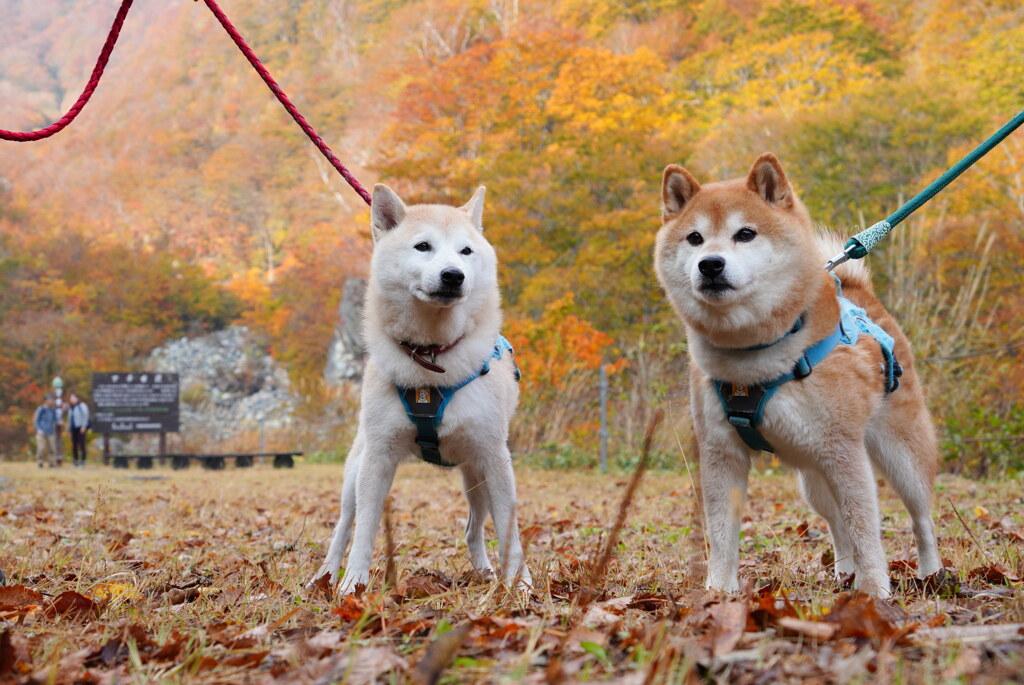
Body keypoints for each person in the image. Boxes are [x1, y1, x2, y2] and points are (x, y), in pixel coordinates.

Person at [33, 394, 59, 468]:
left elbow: (57, 419)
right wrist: (38, 429)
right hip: (41, 431)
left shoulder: (53, 410)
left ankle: (52, 463)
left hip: (51, 431)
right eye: (50, 400)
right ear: (46, 401)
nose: (51, 402)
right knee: (41, 448)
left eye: (52, 400)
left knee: (52, 448)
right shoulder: (41, 409)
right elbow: (36, 420)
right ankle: (40, 463)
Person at [67, 392, 90, 467]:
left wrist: (84, 426)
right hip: (73, 429)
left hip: (80, 428)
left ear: (77, 399)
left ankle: (83, 461)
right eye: (71, 399)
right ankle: (76, 461)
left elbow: (85, 416)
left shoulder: (82, 406)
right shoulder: (71, 408)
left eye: (73, 398)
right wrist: (69, 430)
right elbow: (69, 420)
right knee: (74, 445)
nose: (72, 400)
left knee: (82, 445)